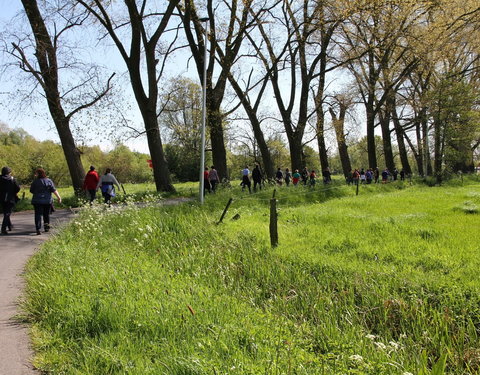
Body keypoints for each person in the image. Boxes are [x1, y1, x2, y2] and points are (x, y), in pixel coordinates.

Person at [30, 168, 61, 235]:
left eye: (36, 173)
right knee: (46, 214)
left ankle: (38, 228)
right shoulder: (49, 181)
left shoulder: (35, 182)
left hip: (37, 200)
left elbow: (31, 190)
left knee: (37, 214)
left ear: (38, 174)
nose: (35, 175)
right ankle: (46, 228)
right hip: (47, 201)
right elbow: (53, 190)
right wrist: (59, 197)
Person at [0, 166, 20, 235]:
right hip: (10, 198)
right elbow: (17, 188)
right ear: (9, 172)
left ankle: (9, 226)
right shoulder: (12, 179)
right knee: (7, 213)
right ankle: (3, 228)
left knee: (6, 212)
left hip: (1, 198)